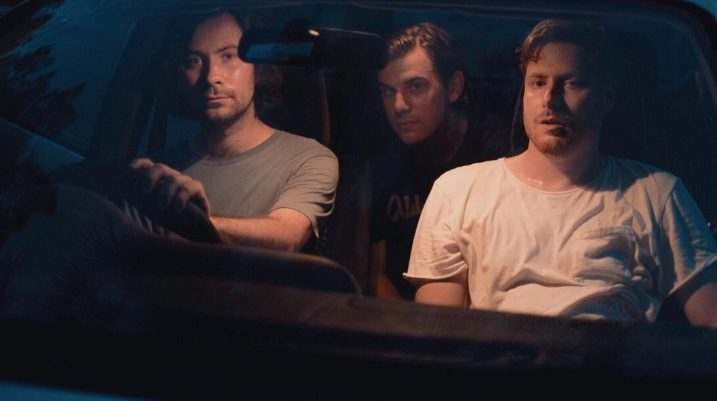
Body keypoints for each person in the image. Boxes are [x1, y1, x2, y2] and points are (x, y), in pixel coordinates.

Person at [405, 19, 717, 327]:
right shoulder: (457, 192)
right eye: (538, 82)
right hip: (498, 358)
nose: (549, 100)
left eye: (572, 83)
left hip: (609, 359)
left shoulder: (657, 194)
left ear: (606, 96)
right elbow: (436, 331)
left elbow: (711, 322)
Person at [129, 10, 339, 252]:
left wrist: (196, 220)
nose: (211, 76)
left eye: (228, 56)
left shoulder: (307, 159)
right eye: (194, 60)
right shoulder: (159, 173)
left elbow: (288, 236)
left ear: (257, 66)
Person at [370, 22, 509, 299]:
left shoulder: (497, 155)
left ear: (454, 87)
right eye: (388, 91)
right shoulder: (382, 158)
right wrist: (404, 323)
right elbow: (375, 274)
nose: (399, 105)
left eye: (416, 87)